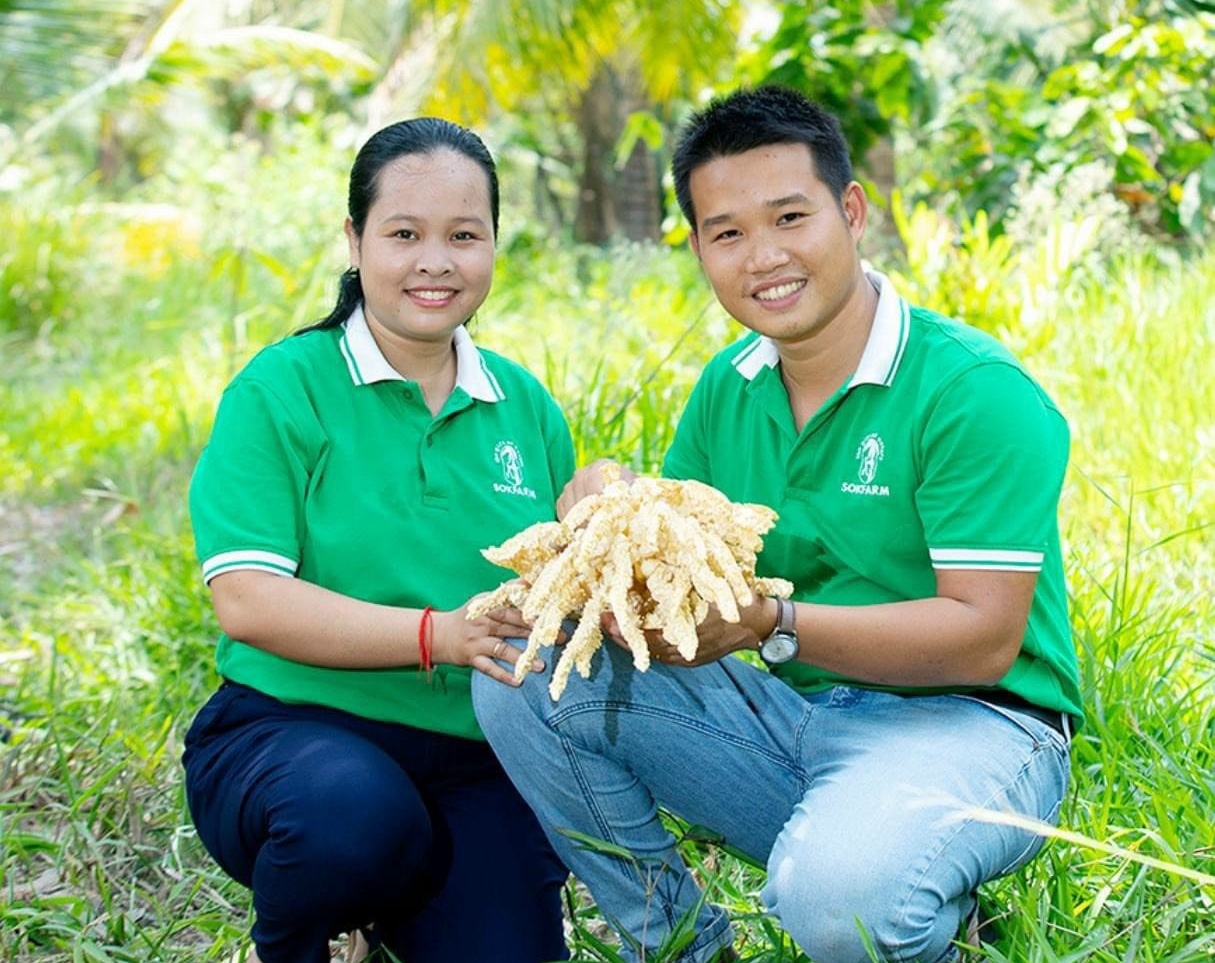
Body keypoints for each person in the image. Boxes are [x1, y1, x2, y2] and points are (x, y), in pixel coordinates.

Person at [472, 86, 1082, 963]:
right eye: (726, 233)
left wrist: (770, 623)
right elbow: (682, 554)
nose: (762, 257)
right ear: (698, 250)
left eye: (788, 217)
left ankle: (900, 890)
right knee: (524, 666)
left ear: (851, 210)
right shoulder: (733, 384)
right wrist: (605, 506)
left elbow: (983, 638)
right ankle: (684, 946)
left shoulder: (971, 391)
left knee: (839, 905)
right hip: (791, 718)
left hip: (974, 725)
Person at [182, 117, 573, 963]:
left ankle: (392, 915)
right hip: (291, 732)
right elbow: (246, 600)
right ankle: (294, 941)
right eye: (404, 234)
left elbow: (557, 596)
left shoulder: (526, 406)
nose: (436, 261)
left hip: (476, 755)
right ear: (355, 240)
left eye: (464, 236)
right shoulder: (284, 387)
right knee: (351, 819)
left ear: (494, 246)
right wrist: (440, 633)